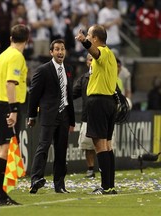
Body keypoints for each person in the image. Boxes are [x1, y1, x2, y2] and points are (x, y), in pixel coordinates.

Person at [0, 24, 30, 206]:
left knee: (5, 150)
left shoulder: (2, 56)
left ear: (10, 38)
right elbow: (10, 83)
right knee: (5, 151)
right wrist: (13, 110)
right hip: (8, 105)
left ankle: (2, 193)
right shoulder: (16, 56)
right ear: (27, 40)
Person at [27, 39, 75, 194]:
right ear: (51, 52)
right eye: (57, 49)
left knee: (61, 151)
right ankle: (35, 179)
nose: (60, 52)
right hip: (48, 115)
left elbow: (69, 95)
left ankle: (59, 185)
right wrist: (32, 115)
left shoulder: (68, 69)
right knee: (43, 146)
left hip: (65, 115)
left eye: (62, 49)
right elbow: (34, 94)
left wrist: (72, 120)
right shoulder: (43, 70)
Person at [75, 24, 118, 195]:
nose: (88, 36)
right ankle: (110, 186)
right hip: (108, 102)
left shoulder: (104, 52)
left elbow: (95, 53)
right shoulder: (111, 56)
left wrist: (83, 41)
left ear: (95, 38)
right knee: (107, 145)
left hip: (99, 102)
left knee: (99, 145)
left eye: (90, 35)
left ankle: (106, 186)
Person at [73, 53, 96, 178]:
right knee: (88, 145)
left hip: (102, 117)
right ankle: (90, 169)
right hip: (87, 117)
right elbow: (72, 94)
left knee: (105, 145)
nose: (92, 62)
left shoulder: (105, 76)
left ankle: (105, 169)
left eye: (94, 59)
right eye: (90, 60)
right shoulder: (83, 79)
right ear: (87, 62)